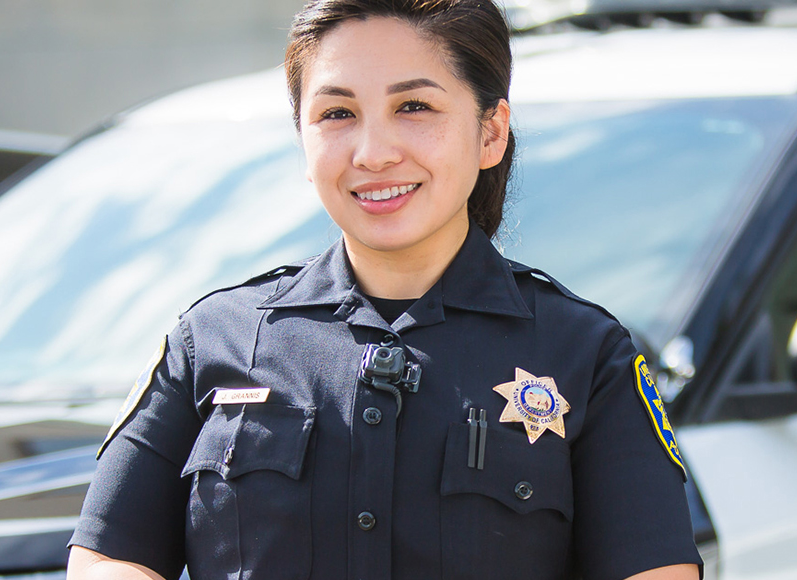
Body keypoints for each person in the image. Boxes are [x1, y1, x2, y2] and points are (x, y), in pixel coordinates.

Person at [65, 0, 702, 578]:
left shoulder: (585, 355)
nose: (372, 152)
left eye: (414, 107)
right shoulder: (214, 339)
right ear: (302, 139)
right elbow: (109, 560)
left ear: (490, 133)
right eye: (337, 113)